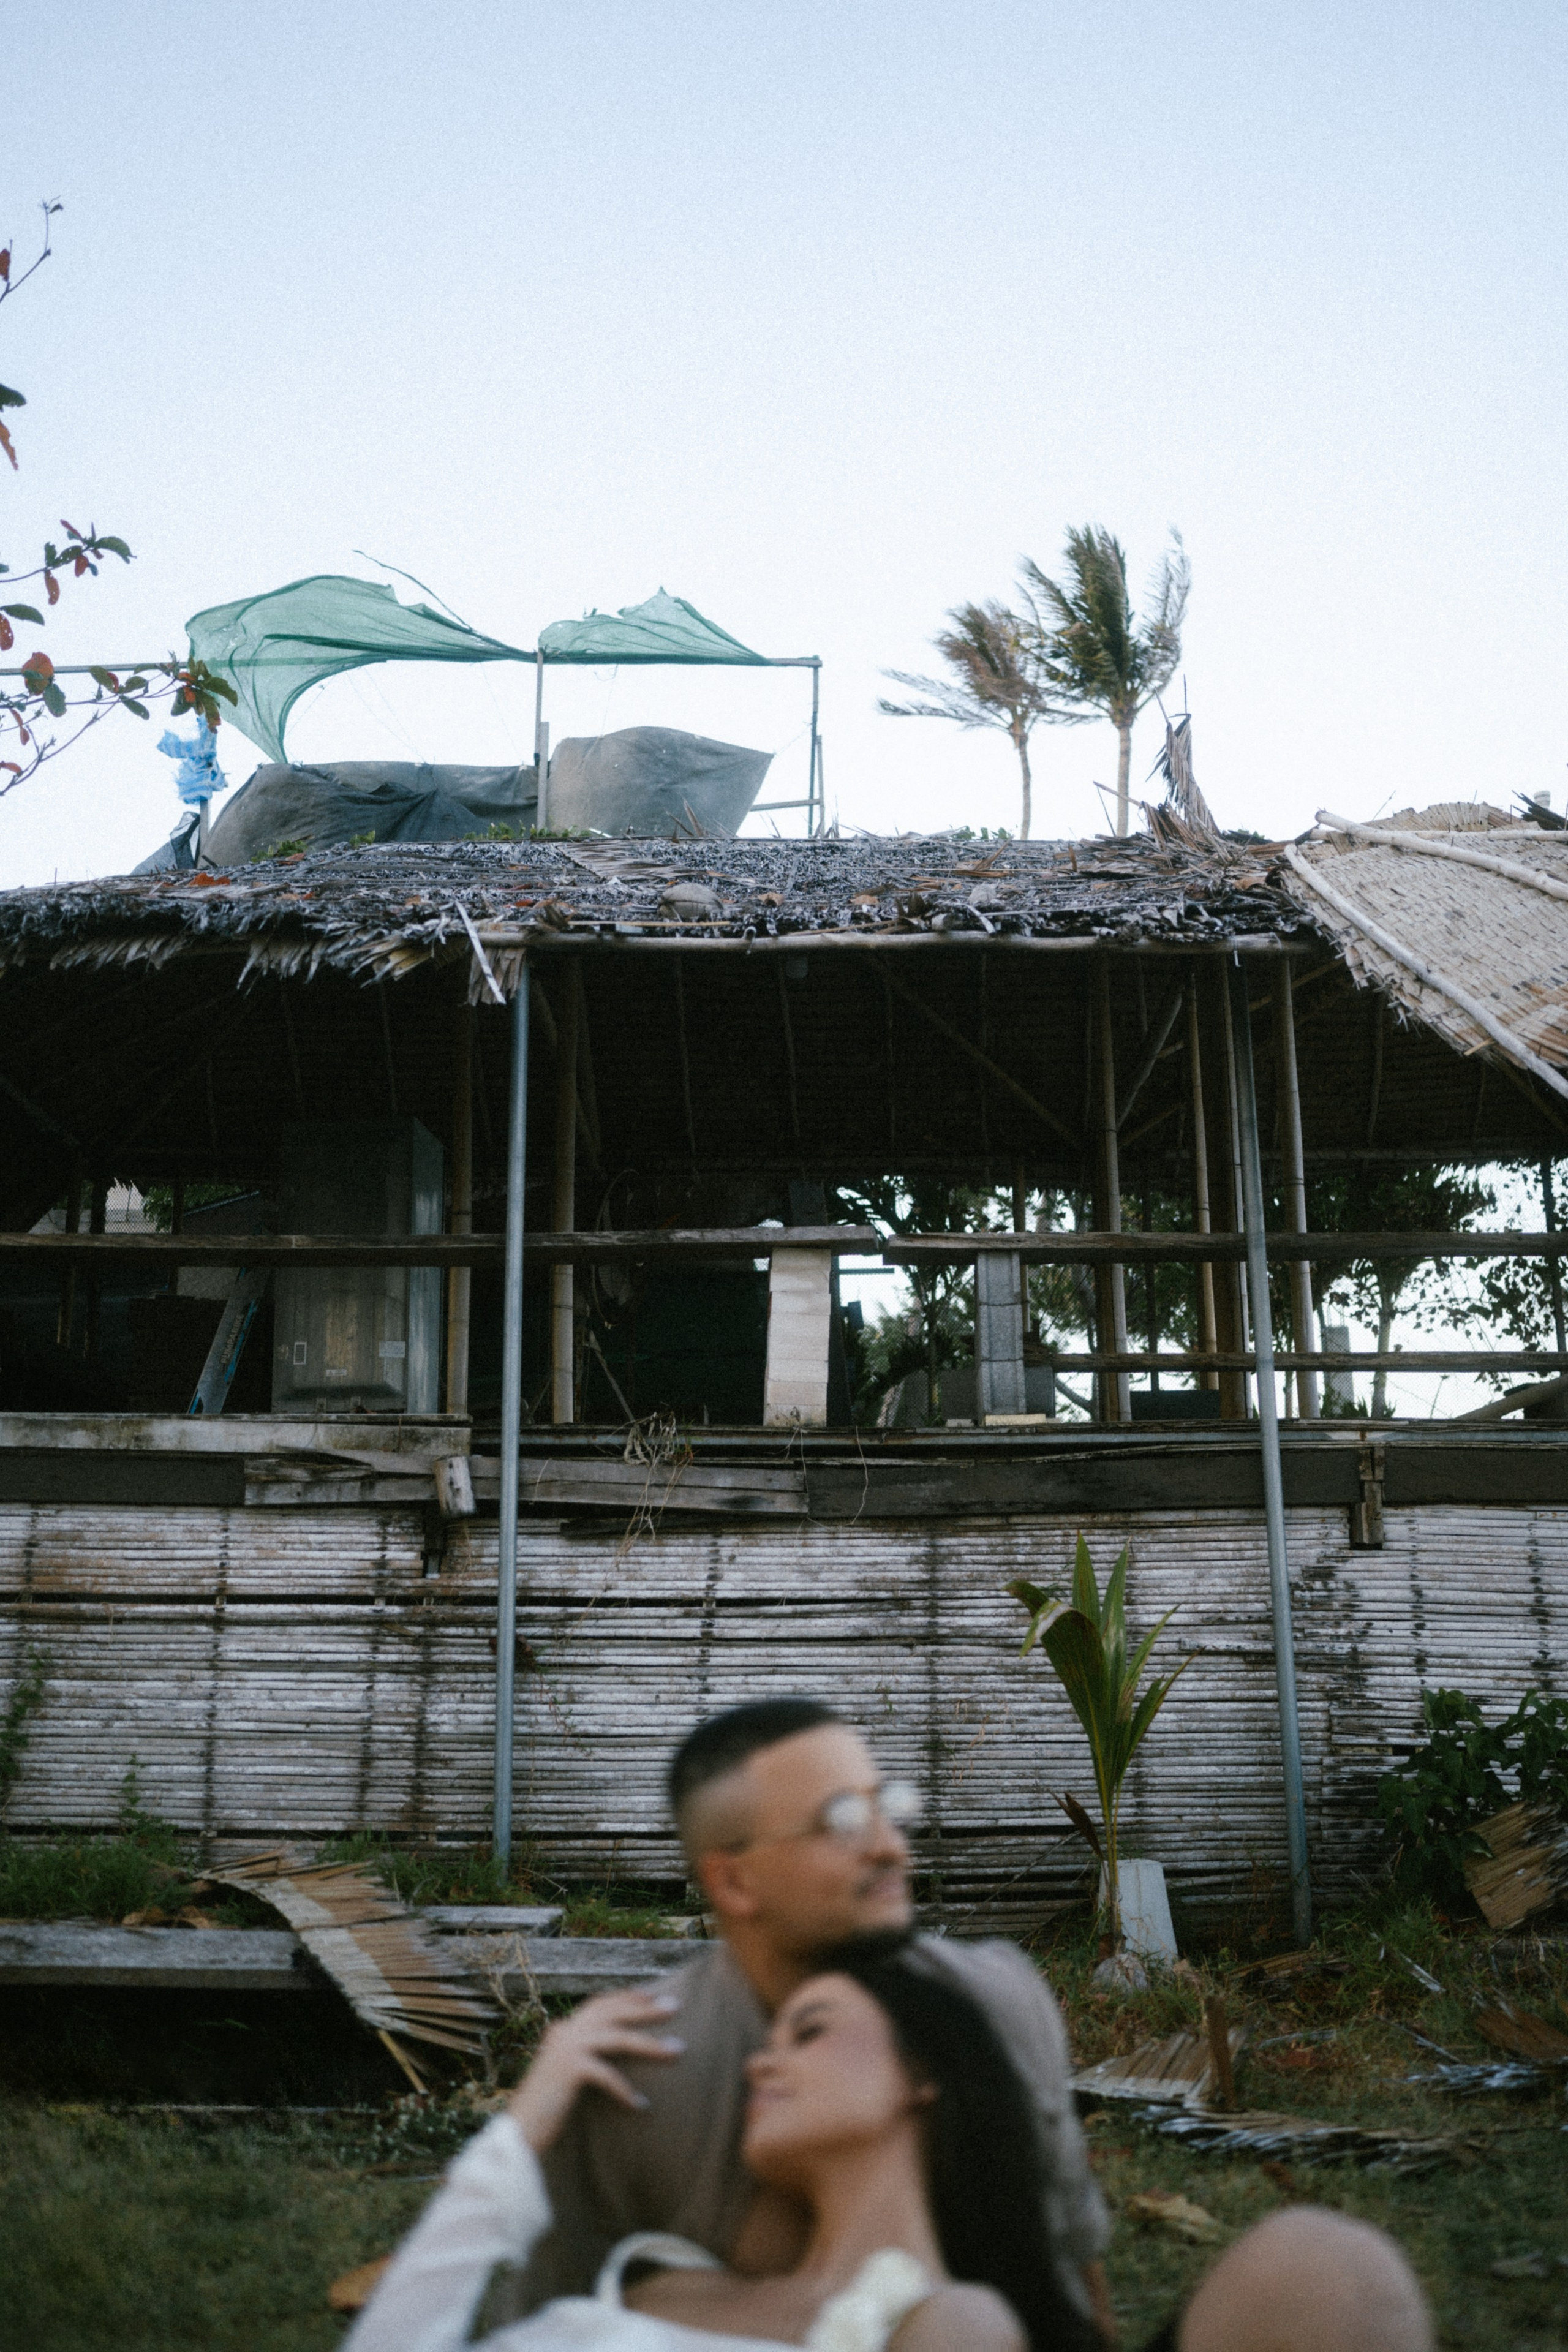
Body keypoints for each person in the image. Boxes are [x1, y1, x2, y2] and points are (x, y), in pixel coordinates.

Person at [510, 1699, 1114, 2337]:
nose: (891, 1850)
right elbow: (547, 2328)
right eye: (842, 1821)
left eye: (886, 1809)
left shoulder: (997, 2000)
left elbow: (1070, 2269)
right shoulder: (640, 2075)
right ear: (734, 1882)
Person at [345, 1938, 1101, 2351]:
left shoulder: (948, 2324)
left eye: (810, 2031)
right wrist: (528, 2123)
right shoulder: (658, 2281)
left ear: (921, 2072)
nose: (760, 2063)